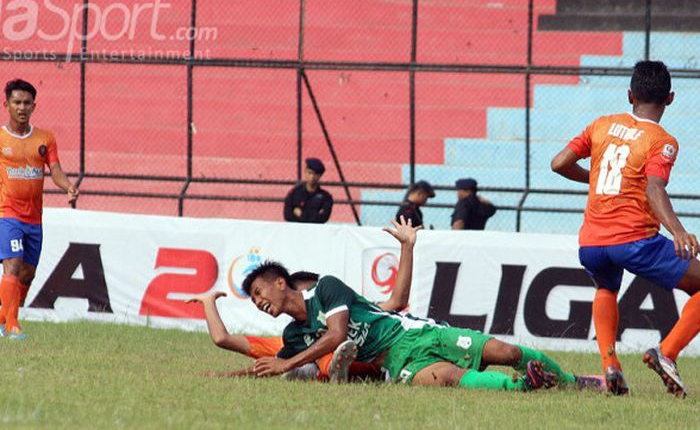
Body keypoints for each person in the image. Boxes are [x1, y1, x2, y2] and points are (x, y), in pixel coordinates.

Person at [551, 60, 700, 398]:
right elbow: (653, 189)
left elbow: (558, 163)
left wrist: (595, 176)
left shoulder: (602, 125)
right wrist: (678, 231)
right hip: (633, 240)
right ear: (671, 99)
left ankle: (610, 364)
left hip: (590, 241)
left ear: (630, 95)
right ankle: (667, 352)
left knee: (605, 288)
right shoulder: (662, 140)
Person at [243, 264, 594, 393]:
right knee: (448, 378)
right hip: (395, 361)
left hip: (418, 333)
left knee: (509, 352)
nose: (258, 301)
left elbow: (336, 335)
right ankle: (523, 387)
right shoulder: (293, 336)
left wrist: (286, 365)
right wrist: (226, 375)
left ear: (279, 282)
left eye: (258, 292)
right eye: (252, 299)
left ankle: (572, 382)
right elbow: (264, 365)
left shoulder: (326, 288)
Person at [186, 216, 420, 381]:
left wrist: (407, 248)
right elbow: (224, 340)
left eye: (311, 291)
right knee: (320, 360)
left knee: (329, 353)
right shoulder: (291, 337)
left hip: (386, 349)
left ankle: (330, 371)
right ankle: (324, 371)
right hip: (312, 353)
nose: (258, 303)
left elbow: (396, 302)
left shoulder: (354, 312)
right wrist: (209, 303)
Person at [0, 79, 79, 340]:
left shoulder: (45, 138)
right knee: (12, 265)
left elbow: (55, 171)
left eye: (26, 103)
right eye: (16, 102)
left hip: (34, 219)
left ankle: (4, 319)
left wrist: (68, 187)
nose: (21, 107)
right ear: (6, 105)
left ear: (34, 106)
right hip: (7, 215)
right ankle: (13, 326)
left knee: (27, 273)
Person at [283, 158, 333, 223]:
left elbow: (322, 218)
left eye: (315, 174)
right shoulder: (294, 193)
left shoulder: (326, 197)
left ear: (320, 176)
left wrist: (301, 215)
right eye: (309, 173)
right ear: (305, 172)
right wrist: (314, 215)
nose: (312, 177)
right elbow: (287, 215)